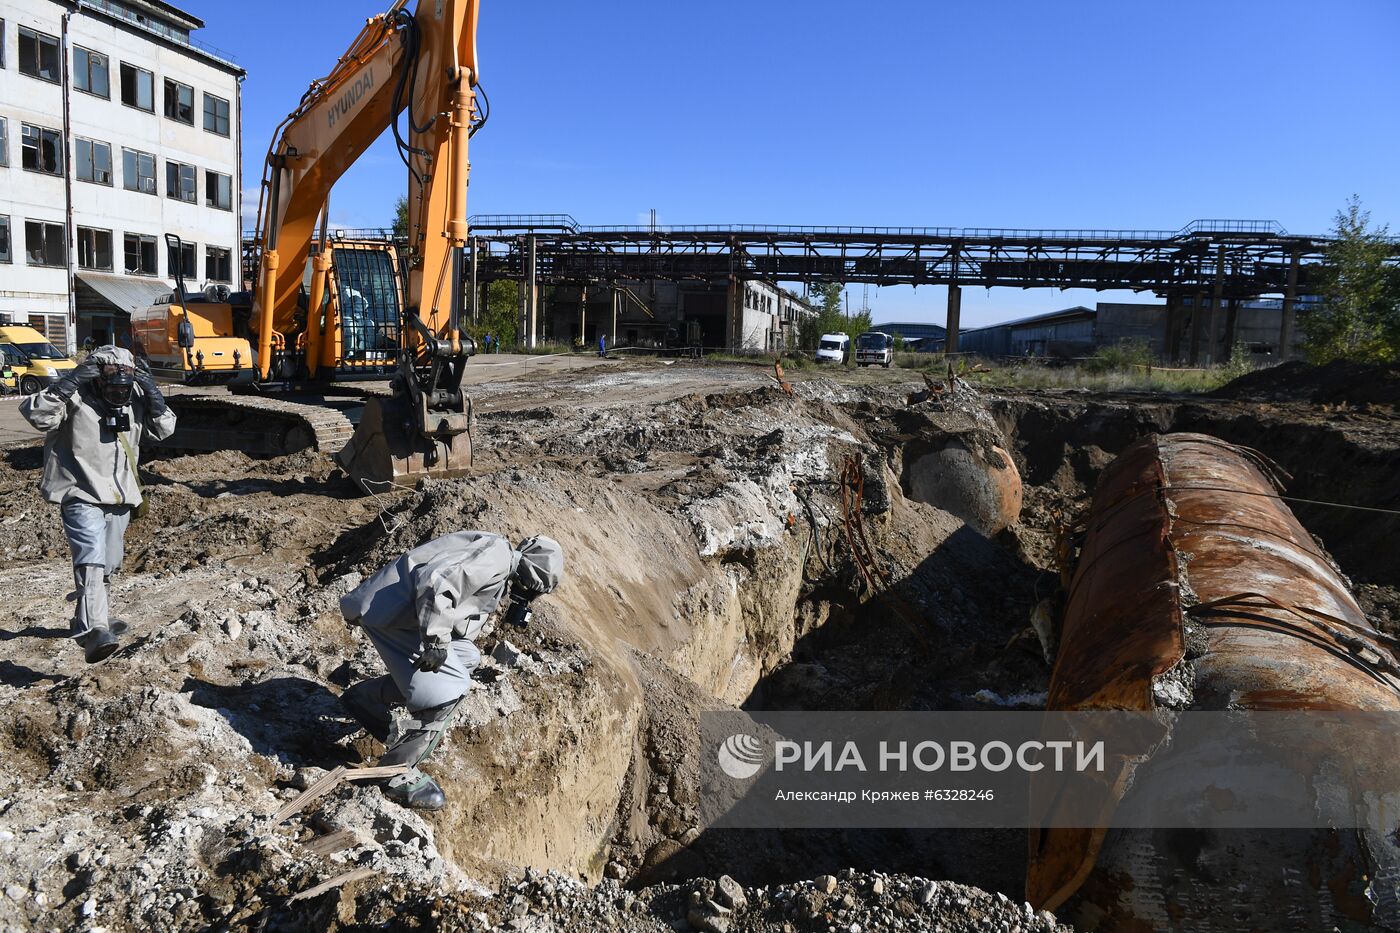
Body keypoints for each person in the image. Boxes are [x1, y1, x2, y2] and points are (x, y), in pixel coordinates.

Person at [339, 531, 565, 810]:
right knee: (451, 691)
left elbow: (459, 612)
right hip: (393, 616)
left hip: (403, 615)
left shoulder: (499, 559)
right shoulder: (495, 556)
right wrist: (435, 640)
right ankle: (394, 774)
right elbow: (438, 581)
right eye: (534, 588)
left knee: (467, 657)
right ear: (533, 575)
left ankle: (366, 698)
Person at [20, 346, 176, 663]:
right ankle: (96, 629)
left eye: (125, 381)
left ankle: (86, 618)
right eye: (112, 382)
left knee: (108, 563)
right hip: (79, 492)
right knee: (90, 558)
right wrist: (68, 383)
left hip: (119, 494)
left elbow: (164, 430)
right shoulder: (74, 397)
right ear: (97, 378)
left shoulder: (135, 397)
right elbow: (36, 415)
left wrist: (153, 393)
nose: (119, 389)